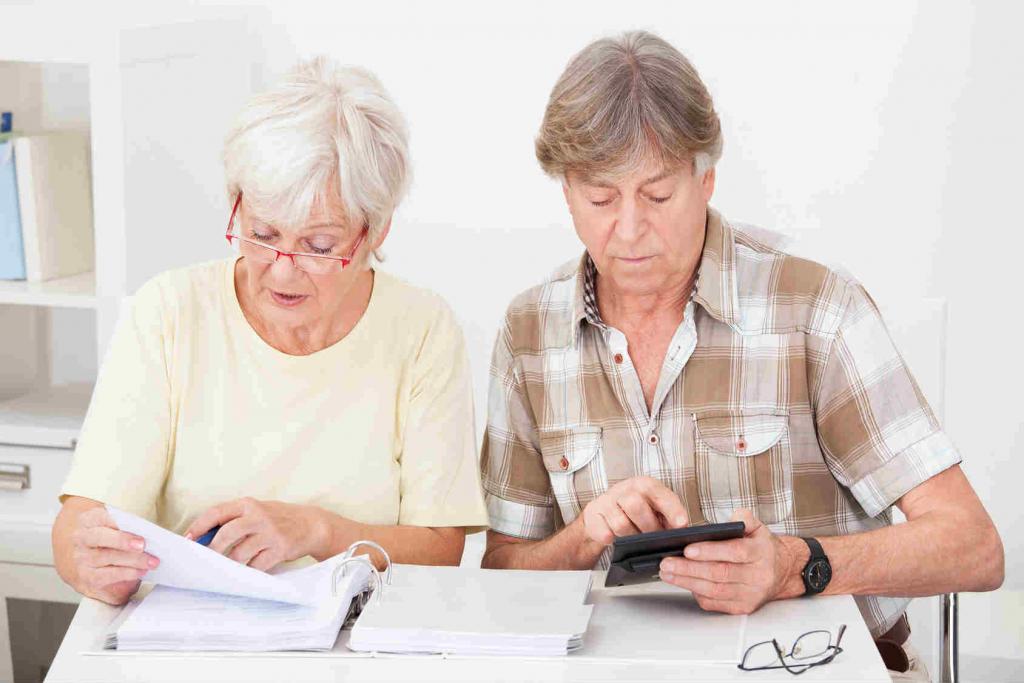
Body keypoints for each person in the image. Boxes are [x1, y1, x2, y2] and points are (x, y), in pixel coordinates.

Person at [479, 31, 1003, 678]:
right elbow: (502, 574)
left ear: (706, 179)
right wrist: (582, 537)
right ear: (566, 192)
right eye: (600, 199)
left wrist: (794, 566)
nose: (630, 229)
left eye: (658, 195)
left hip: (815, 669)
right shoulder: (529, 333)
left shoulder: (815, 308)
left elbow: (973, 545)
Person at [52, 56, 488, 606]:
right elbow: (80, 521)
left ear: (376, 231)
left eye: (319, 246)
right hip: (188, 632)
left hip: (356, 639)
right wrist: (91, 560)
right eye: (261, 233)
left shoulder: (421, 329)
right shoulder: (169, 311)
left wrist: (315, 530)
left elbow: (441, 549)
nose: (282, 271)